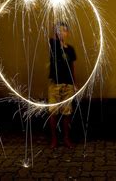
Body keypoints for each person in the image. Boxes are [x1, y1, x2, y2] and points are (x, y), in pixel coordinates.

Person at [48, 21, 77, 149]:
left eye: (64, 30)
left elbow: (72, 67)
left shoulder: (70, 49)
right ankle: (54, 139)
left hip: (68, 84)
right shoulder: (53, 44)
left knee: (67, 112)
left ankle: (66, 138)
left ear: (67, 33)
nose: (62, 33)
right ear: (56, 33)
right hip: (54, 83)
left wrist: (74, 83)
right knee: (53, 112)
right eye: (59, 31)